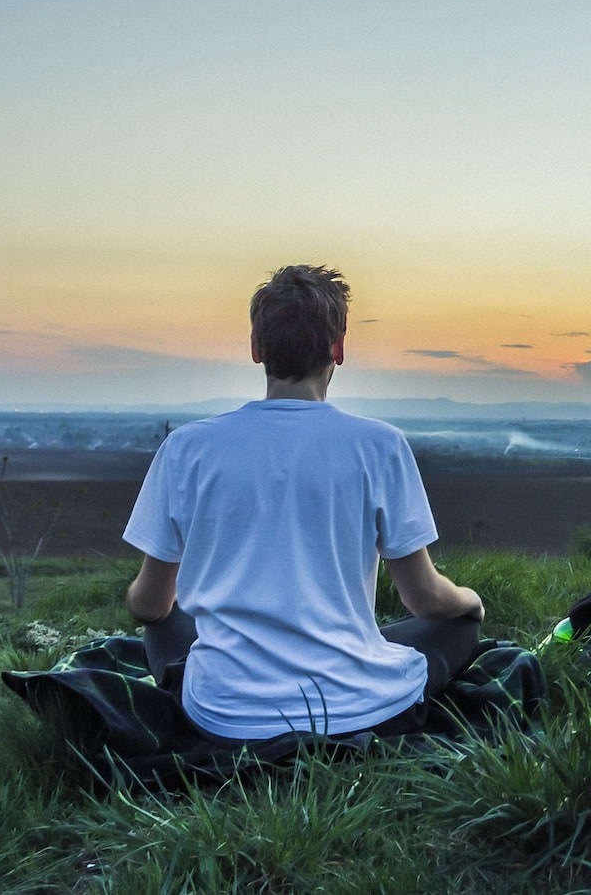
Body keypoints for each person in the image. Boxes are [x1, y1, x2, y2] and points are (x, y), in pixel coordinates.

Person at [122, 264, 484, 743]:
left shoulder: (187, 448)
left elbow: (147, 605)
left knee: (164, 621)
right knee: (457, 628)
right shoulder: (380, 445)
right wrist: (471, 602)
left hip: (223, 714)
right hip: (355, 707)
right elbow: (425, 599)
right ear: (338, 348)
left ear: (256, 348)